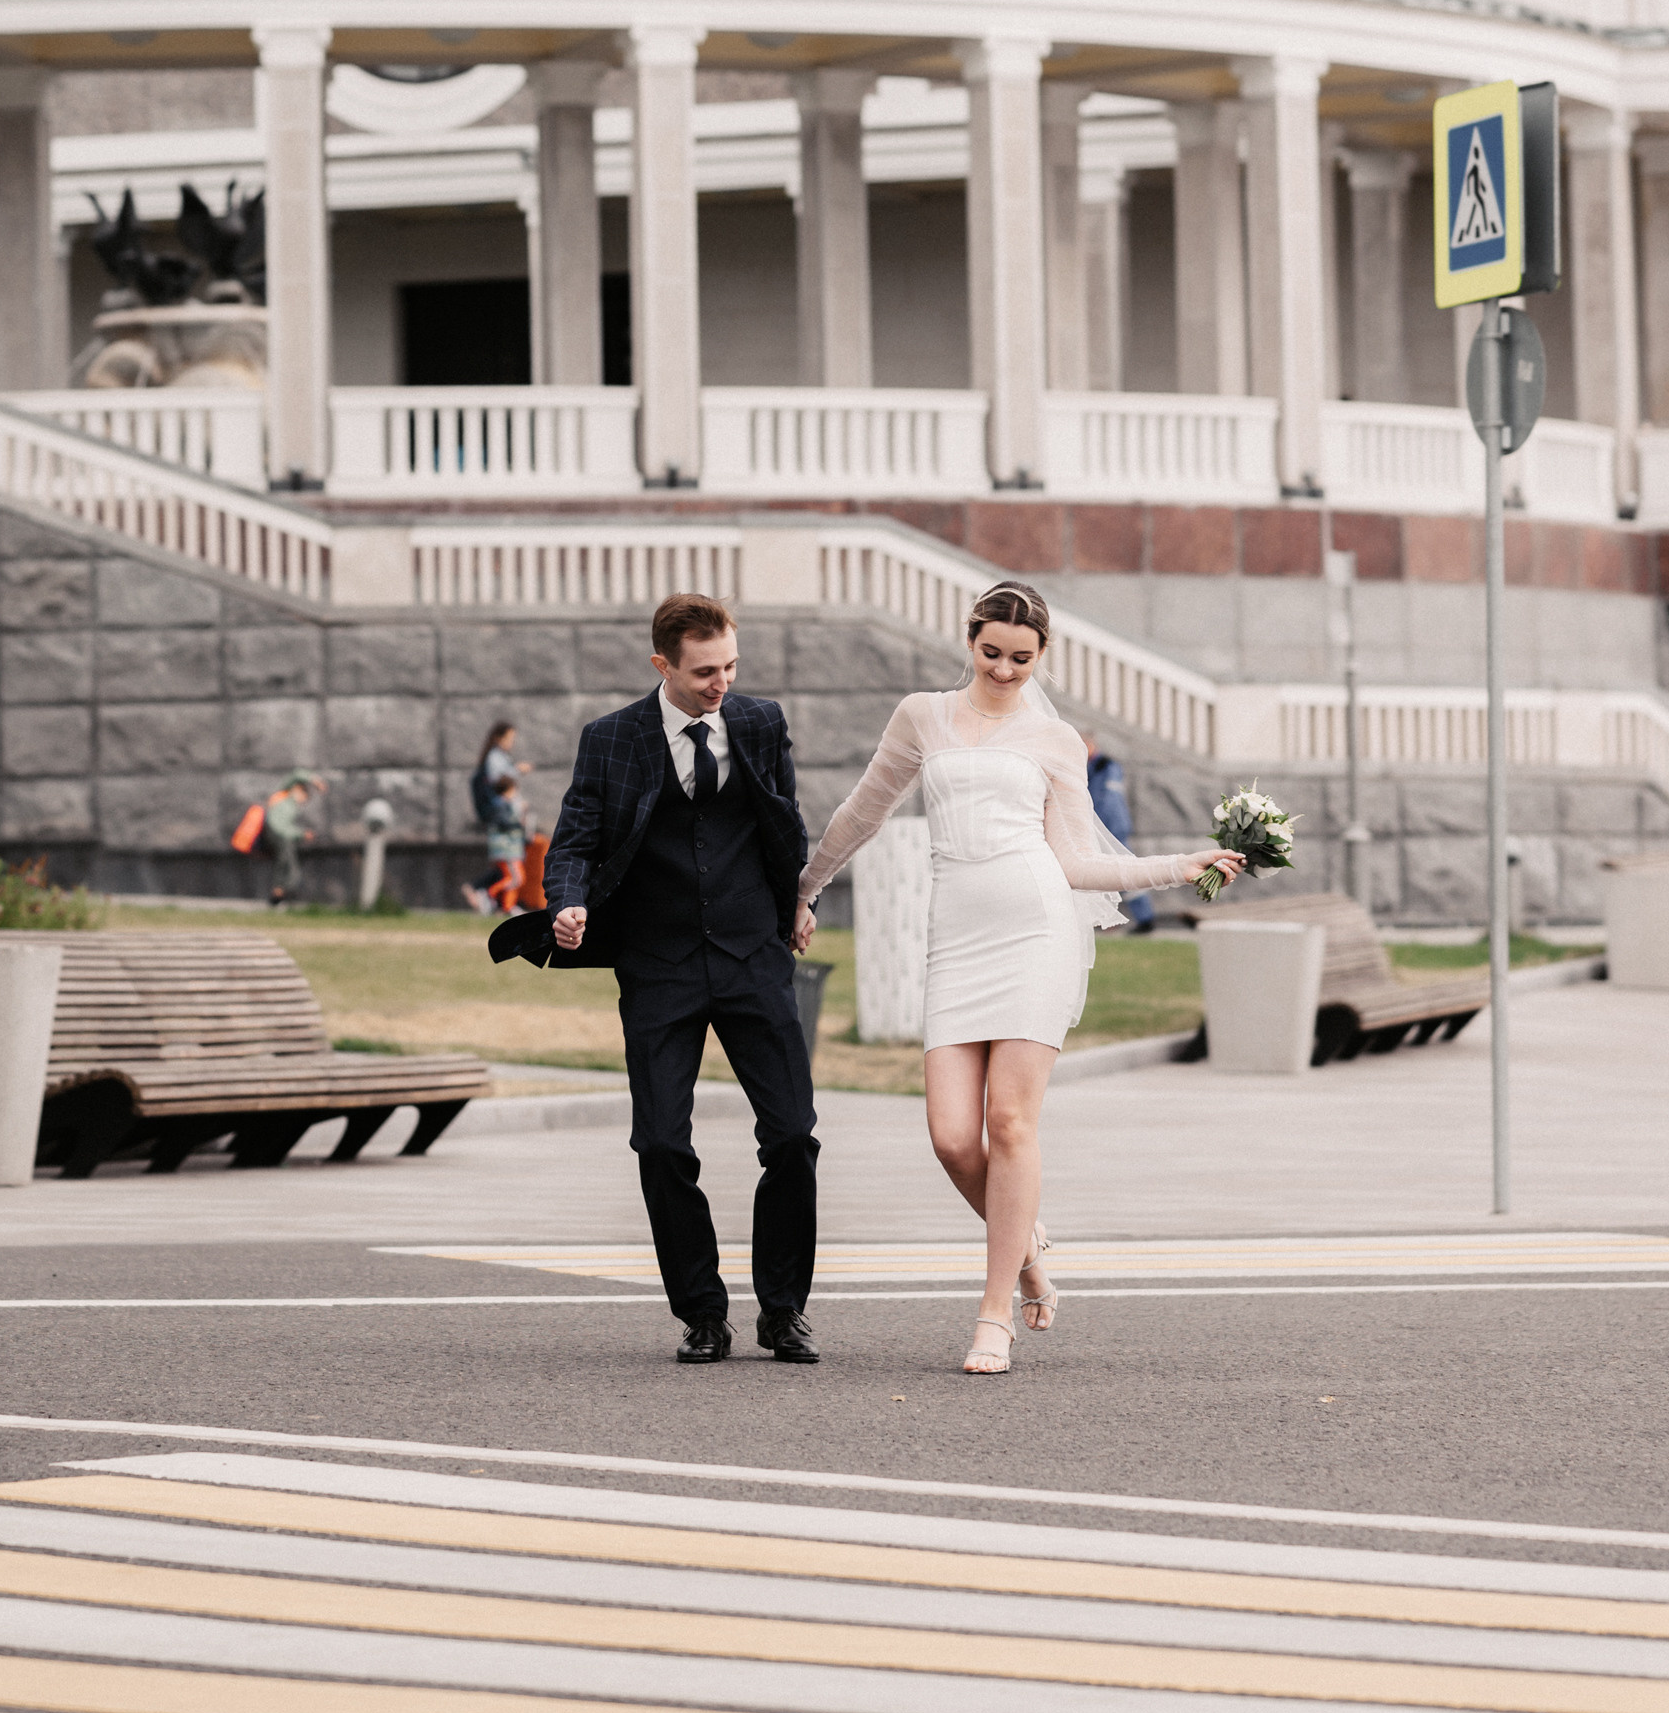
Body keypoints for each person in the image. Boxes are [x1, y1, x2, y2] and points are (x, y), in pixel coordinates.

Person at [796, 580, 1243, 1377]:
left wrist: (1184, 864)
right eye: (991, 652)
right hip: (956, 937)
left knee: (1008, 1123)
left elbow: (1077, 861)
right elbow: (862, 812)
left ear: (1042, 656)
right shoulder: (921, 716)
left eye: (1021, 659)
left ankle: (993, 1313)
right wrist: (806, 888)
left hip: (1035, 927)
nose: (1003, 670)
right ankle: (1027, 1245)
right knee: (947, 1135)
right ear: (969, 640)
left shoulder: (1055, 740)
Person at [547, 592, 819, 1368]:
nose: (721, 683)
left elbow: (783, 822)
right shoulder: (611, 740)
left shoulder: (760, 723)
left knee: (793, 1136)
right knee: (662, 1143)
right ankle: (701, 1312)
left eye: (730, 665)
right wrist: (566, 904)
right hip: (658, 966)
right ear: (662, 663)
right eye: (704, 671)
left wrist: (797, 900)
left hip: (750, 958)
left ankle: (783, 1311)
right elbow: (574, 839)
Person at [1084, 735, 1157, 933]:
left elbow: (1108, 803)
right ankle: (1109, 918)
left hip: (1111, 829)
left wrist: (1102, 829)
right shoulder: (1093, 768)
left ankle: (1145, 918)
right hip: (1103, 829)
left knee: (1126, 871)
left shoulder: (1106, 767)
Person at [462, 722, 530, 917]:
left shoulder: (499, 759)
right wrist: (516, 772)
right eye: (509, 739)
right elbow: (499, 781)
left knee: (505, 873)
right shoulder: (495, 761)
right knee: (515, 876)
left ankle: (502, 904)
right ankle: (488, 894)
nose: (511, 743)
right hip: (505, 840)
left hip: (506, 839)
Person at [262, 772, 325, 907]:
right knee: (288, 867)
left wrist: (301, 834)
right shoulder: (284, 793)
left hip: (283, 837)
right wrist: (314, 780)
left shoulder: (293, 807)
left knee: (287, 866)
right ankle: (278, 894)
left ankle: (279, 894)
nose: (303, 800)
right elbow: (296, 774)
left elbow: (287, 827)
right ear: (297, 790)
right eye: (304, 796)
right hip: (276, 833)